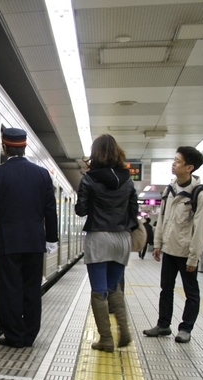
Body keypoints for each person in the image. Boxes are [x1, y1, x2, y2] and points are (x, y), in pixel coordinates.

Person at [0, 128, 58, 348]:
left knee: (10, 290)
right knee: (31, 290)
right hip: (35, 243)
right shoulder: (42, 174)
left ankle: (15, 336)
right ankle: (30, 335)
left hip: (9, 243)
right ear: (24, 147)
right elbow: (50, 210)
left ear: (5, 148)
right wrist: (51, 239)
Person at [74, 134, 138, 352]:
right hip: (122, 238)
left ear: (96, 153)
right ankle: (124, 330)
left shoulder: (89, 178)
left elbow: (81, 210)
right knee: (114, 286)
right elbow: (134, 212)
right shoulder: (128, 180)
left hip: (99, 237)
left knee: (99, 290)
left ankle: (106, 339)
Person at [143, 146, 203, 343]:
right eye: (174, 160)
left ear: (189, 168)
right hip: (169, 250)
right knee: (166, 289)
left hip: (186, 252)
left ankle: (186, 329)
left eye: (178, 161)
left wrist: (194, 257)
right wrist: (158, 243)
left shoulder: (200, 195)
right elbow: (163, 218)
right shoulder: (169, 190)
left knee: (191, 292)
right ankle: (163, 325)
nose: (174, 164)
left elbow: (201, 228)